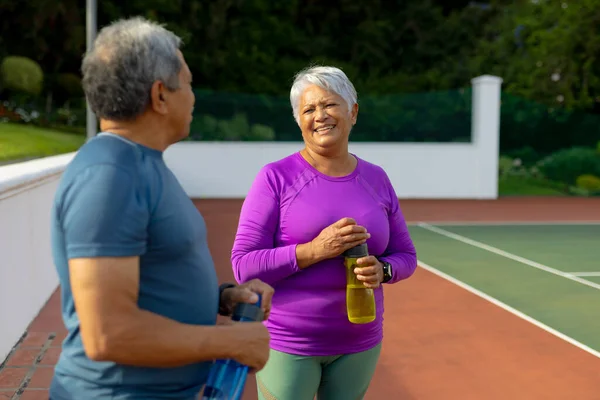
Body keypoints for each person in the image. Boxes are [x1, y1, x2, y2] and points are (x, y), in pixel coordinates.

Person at [49, 17, 272, 400]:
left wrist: (221, 298)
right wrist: (229, 343)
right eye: (187, 82)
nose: (194, 96)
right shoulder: (110, 175)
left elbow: (148, 274)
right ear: (160, 95)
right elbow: (109, 334)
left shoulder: (137, 164)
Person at [230, 65, 419, 399]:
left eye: (330, 105)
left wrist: (383, 269)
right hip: (290, 343)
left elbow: (406, 255)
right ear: (298, 120)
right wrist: (315, 250)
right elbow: (244, 265)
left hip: (360, 342)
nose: (320, 116)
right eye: (308, 109)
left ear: (353, 112)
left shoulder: (376, 179)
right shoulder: (275, 178)